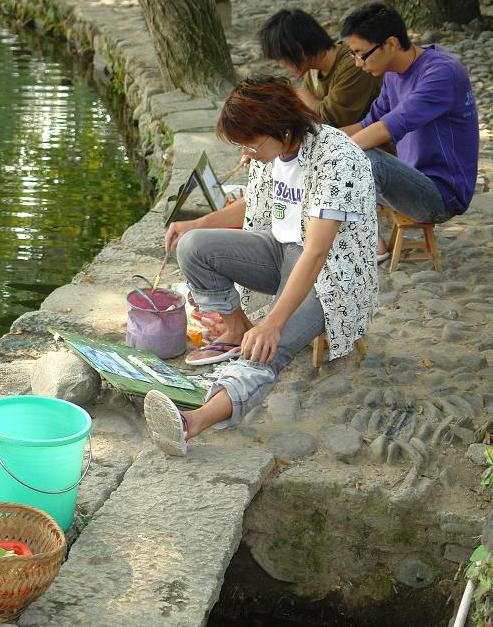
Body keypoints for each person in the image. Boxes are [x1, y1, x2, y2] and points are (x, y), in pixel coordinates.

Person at [144, 75, 378, 456]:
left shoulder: (338, 159)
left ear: (282, 129)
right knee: (193, 247)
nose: (246, 154)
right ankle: (238, 331)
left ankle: (195, 420)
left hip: (332, 275)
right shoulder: (273, 152)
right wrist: (196, 224)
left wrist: (272, 323)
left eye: (250, 145)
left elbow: (317, 253)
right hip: (280, 250)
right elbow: (255, 206)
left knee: (271, 346)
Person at [339, 2, 478, 254]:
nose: (358, 63)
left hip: (440, 196)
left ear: (391, 43)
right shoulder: (392, 74)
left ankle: (371, 246)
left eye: (361, 54)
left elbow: (388, 128)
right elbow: (366, 124)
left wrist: (331, 152)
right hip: (409, 182)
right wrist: (311, 139)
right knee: (333, 158)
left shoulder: (440, 72)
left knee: (368, 161)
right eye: (352, 54)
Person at [258, 8, 383, 128]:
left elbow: (329, 121)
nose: (282, 65)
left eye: (281, 58)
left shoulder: (354, 65)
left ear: (299, 50)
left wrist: (304, 96)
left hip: (373, 146)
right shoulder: (312, 69)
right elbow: (305, 114)